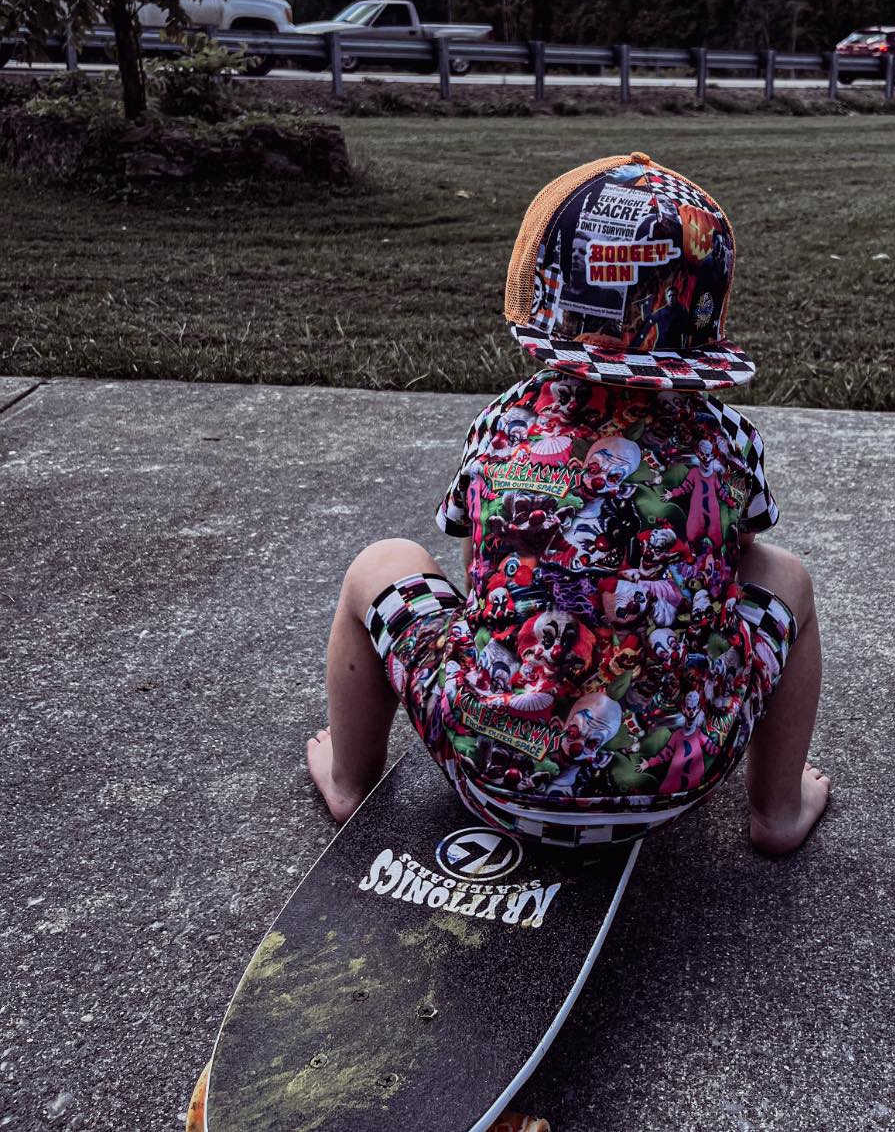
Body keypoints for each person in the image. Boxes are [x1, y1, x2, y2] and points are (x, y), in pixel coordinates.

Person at [307, 151, 830, 854]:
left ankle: (348, 778)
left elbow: (480, 567)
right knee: (787, 575)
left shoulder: (504, 422)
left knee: (383, 562)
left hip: (491, 775)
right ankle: (776, 809)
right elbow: (739, 560)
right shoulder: (728, 438)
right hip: (676, 778)